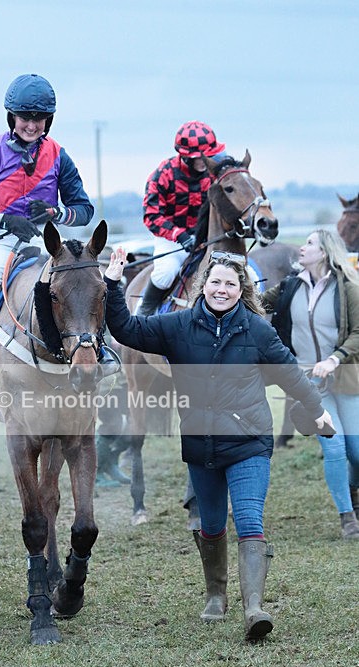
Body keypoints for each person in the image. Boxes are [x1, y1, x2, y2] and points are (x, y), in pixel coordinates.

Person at [104, 247, 333, 639]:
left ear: (240, 289)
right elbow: (128, 330)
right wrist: (112, 284)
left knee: (248, 519)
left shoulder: (258, 330)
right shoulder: (176, 326)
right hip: (202, 446)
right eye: (215, 283)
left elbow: (291, 375)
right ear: (203, 286)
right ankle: (215, 593)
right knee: (210, 525)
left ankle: (255, 608)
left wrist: (317, 411)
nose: (222, 290)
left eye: (230, 283)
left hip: (249, 442)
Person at [0, 73, 104, 380]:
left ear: (49, 120)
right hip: (0, 239)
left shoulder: (59, 156)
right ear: (11, 117)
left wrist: (54, 212)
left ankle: (100, 348)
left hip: (49, 242)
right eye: (24, 118)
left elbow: (84, 210)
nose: (31, 126)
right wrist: (5, 220)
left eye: (39, 119)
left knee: (85, 286)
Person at [263, 229, 359, 541]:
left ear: (325, 251)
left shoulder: (348, 288)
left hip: (346, 377)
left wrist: (335, 358)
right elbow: (257, 303)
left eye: (309, 244)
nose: (302, 248)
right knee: (334, 447)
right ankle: (347, 517)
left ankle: (353, 492)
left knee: (356, 452)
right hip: (309, 384)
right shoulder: (291, 285)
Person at [139, 120, 226, 316]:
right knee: (165, 273)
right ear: (186, 157)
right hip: (172, 239)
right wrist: (179, 235)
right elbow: (152, 216)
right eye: (200, 158)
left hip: (206, 238)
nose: (206, 161)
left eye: (209, 155)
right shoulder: (163, 174)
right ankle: (143, 312)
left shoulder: (215, 174)